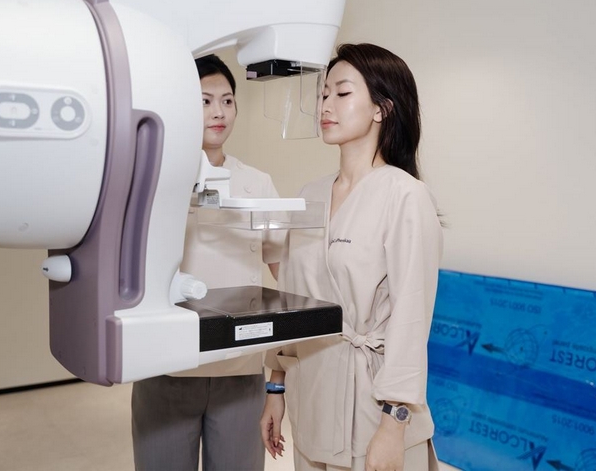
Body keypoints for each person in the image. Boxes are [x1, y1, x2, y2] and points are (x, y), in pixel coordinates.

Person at [259, 43, 444, 471]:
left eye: (342, 93)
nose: (325, 105)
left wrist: (393, 425)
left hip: (375, 410)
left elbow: (411, 319)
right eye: (324, 94)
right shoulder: (309, 196)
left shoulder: (405, 195)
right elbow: (292, 302)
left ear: (382, 108)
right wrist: (276, 387)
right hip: (312, 397)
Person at [132, 54, 282, 471]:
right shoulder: (150, 180)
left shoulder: (257, 184)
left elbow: (284, 273)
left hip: (241, 372)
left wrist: (277, 380)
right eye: (204, 101)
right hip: (166, 367)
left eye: (227, 100)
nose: (219, 112)